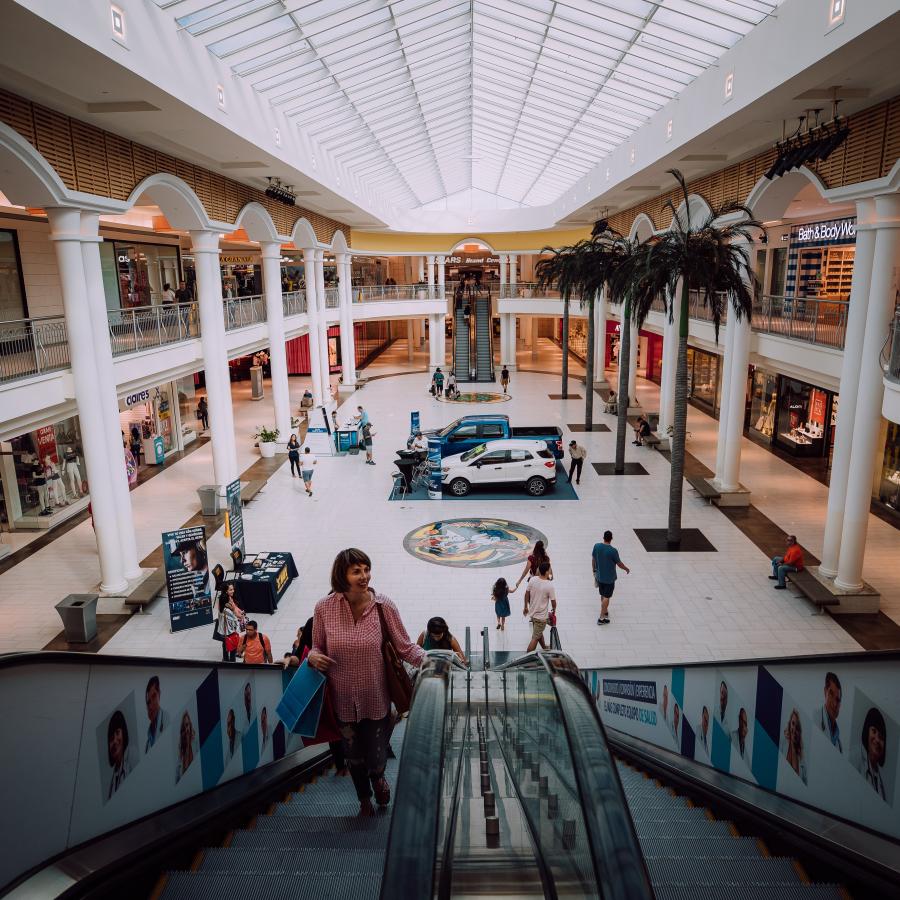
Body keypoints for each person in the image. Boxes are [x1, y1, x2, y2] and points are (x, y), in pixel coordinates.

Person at [307, 548, 425, 815]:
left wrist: (433, 661)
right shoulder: (324, 608)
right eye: (356, 571)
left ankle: (379, 777)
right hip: (342, 702)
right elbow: (316, 646)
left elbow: (406, 648)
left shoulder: (383, 607)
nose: (364, 576)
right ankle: (363, 799)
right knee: (353, 756)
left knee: (376, 754)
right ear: (342, 575)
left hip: (376, 699)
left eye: (366, 569)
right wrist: (314, 657)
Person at [591, 530, 630, 625]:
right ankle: (601, 618)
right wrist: (626, 569)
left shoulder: (596, 546)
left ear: (603, 537)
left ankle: (605, 610)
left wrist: (594, 570)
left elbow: (593, 559)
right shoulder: (613, 551)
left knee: (603, 594)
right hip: (609, 578)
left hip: (599, 576)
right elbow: (619, 563)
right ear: (611, 539)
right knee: (607, 596)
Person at [523, 561, 556, 652]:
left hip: (533, 613)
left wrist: (526, 606)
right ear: (546, 572)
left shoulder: (533, 579)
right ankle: (528, 655)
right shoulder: (549, 585)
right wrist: (554, 609)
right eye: (549, 570)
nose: (550, 571)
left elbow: (526, 593)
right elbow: (553, 601)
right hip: (541, 617)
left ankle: (544, 647)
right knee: (535, 637)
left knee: (538, 633)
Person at [856, 707, 887, 801]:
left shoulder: (882, 783)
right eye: (874, 731)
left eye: (881, 737)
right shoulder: (856, 762)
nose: (877, 740)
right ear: (866, 732)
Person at [107, 709, 134, 799]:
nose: (114, 741)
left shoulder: (132, 761)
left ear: (124, 733)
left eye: (117, 733)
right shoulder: (112, 783)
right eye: (111, 738)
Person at [217, 584, 245, 662]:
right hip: (229, 631)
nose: (233, 591)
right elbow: (235, 621)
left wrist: (238, 612)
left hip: (223, 629)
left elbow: (235, 608)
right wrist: (240, 617)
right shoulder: (228, 611)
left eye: (233, 589)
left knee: (224, 644)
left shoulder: (224, 600)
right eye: (230, 589)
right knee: (232, 646)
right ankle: (232, 662)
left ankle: (225, 659)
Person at [816, 671, 843, 752]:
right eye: (831, 694)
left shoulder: (839, 744)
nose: (835, 704)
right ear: (825, 692)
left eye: (838, 700)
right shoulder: (815, 718)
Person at [144, 676, 169, 753]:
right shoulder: (148, 743)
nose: (151, 706)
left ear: (159, 694)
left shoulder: (167, 720)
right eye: (148, 702)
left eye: (154, 696)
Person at [783, 708, 807, 783]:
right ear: (789, 724)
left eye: (797, 727)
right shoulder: (782, 744)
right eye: (793, 723)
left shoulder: (802, 759)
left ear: (799, 732)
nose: (794, 729)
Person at [175, 711, 196, 783]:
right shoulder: (181, 748)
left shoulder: (196, 743)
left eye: (187, 725)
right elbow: (177, 777)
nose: (186, 730)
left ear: (190, 725)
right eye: (184, 728)